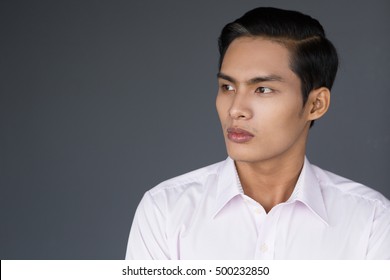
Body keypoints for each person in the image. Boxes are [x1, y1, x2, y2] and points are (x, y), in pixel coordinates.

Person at [125, 7, 390, 259]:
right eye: (227, 87)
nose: (236, 110)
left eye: (262, 89)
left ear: (315, 104)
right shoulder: (166, 210)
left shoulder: (371, 220)